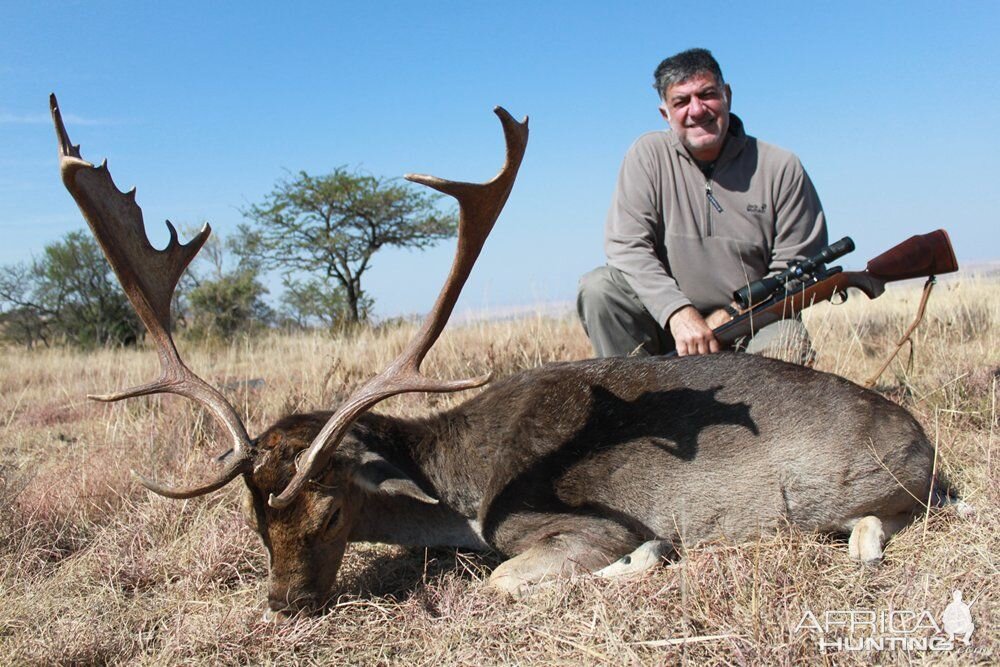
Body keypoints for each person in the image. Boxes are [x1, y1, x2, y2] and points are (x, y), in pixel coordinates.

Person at [577, 48, 828, 361]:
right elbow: (627, 247)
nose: (696, 110)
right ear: (665, 114)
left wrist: (731, 315)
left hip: (750, 327)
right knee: (599, 289)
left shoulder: (781, 167)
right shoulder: (647, 156)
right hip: (669, 328)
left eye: (707, 94)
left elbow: (798, 267)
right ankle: (638, 407)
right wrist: (678, 313)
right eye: (681, 101)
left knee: (788, 340)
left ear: (727, 96)